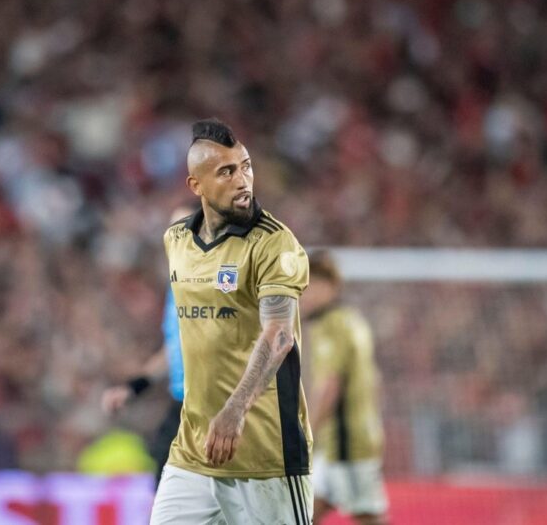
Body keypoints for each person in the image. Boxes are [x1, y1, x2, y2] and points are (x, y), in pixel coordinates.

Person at [150, 118, 313, 525]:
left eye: (246, 166)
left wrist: (235, 409)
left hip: (265, 455)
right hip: (193, 452)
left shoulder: (274, 244)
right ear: (196, 186)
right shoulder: (177, 242)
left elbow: (279, 337)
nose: (243, 180)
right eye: (227, 171)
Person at [101, 206, 193, 484]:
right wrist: (134, 387)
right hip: (183, 402)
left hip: (209, 404)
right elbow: (175, 349)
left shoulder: (216, 288)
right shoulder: (176, 288)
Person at [302, 251, 388, 525]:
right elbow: (376, 380)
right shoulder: (353, 320)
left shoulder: (332, 325)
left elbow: (329, 386)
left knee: (367, 516)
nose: (304, 295)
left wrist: (308, 435)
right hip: (350, 437)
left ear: (328, 286)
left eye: (309, 286)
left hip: (346, 442)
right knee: (305, 512)